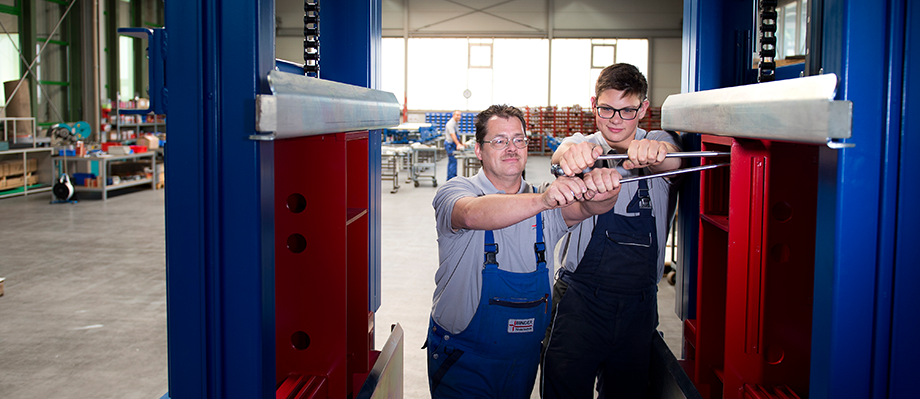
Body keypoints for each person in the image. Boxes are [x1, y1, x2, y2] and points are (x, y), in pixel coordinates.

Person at [427, 104, 623, 399]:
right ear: (479, 150)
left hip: (523, 360)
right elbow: (470, 215)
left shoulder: (546, 198)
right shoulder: (456, 191)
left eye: (519, 139)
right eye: (500, 140)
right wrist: (542, 200)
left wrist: (606, 193)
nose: (511, 148)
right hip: (463, 358)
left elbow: (587, 206)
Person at [541, 63, 684, 399]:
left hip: (639, 307)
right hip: (580, 304)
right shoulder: (584, 144)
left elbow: (675, 162)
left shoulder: (658, 142)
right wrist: (570, 155)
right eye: (606, 109)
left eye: (628, 110)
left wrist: (656, 155)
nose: (616, 119)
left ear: (644, 108)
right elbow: (563, 154)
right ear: (594, 104)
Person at [444, 110, 466, 180]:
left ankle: (453, 178)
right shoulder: (450, 123)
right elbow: (453, 135)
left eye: (460, 115)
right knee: (452, 162)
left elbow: (457, 135)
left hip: (453, 144)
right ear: (453, 115)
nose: (459, 116)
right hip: (450, 145)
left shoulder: (456, 123)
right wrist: (458, 144)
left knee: (453, 161)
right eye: (457, 115)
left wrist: (461, 143)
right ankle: (450, 179)